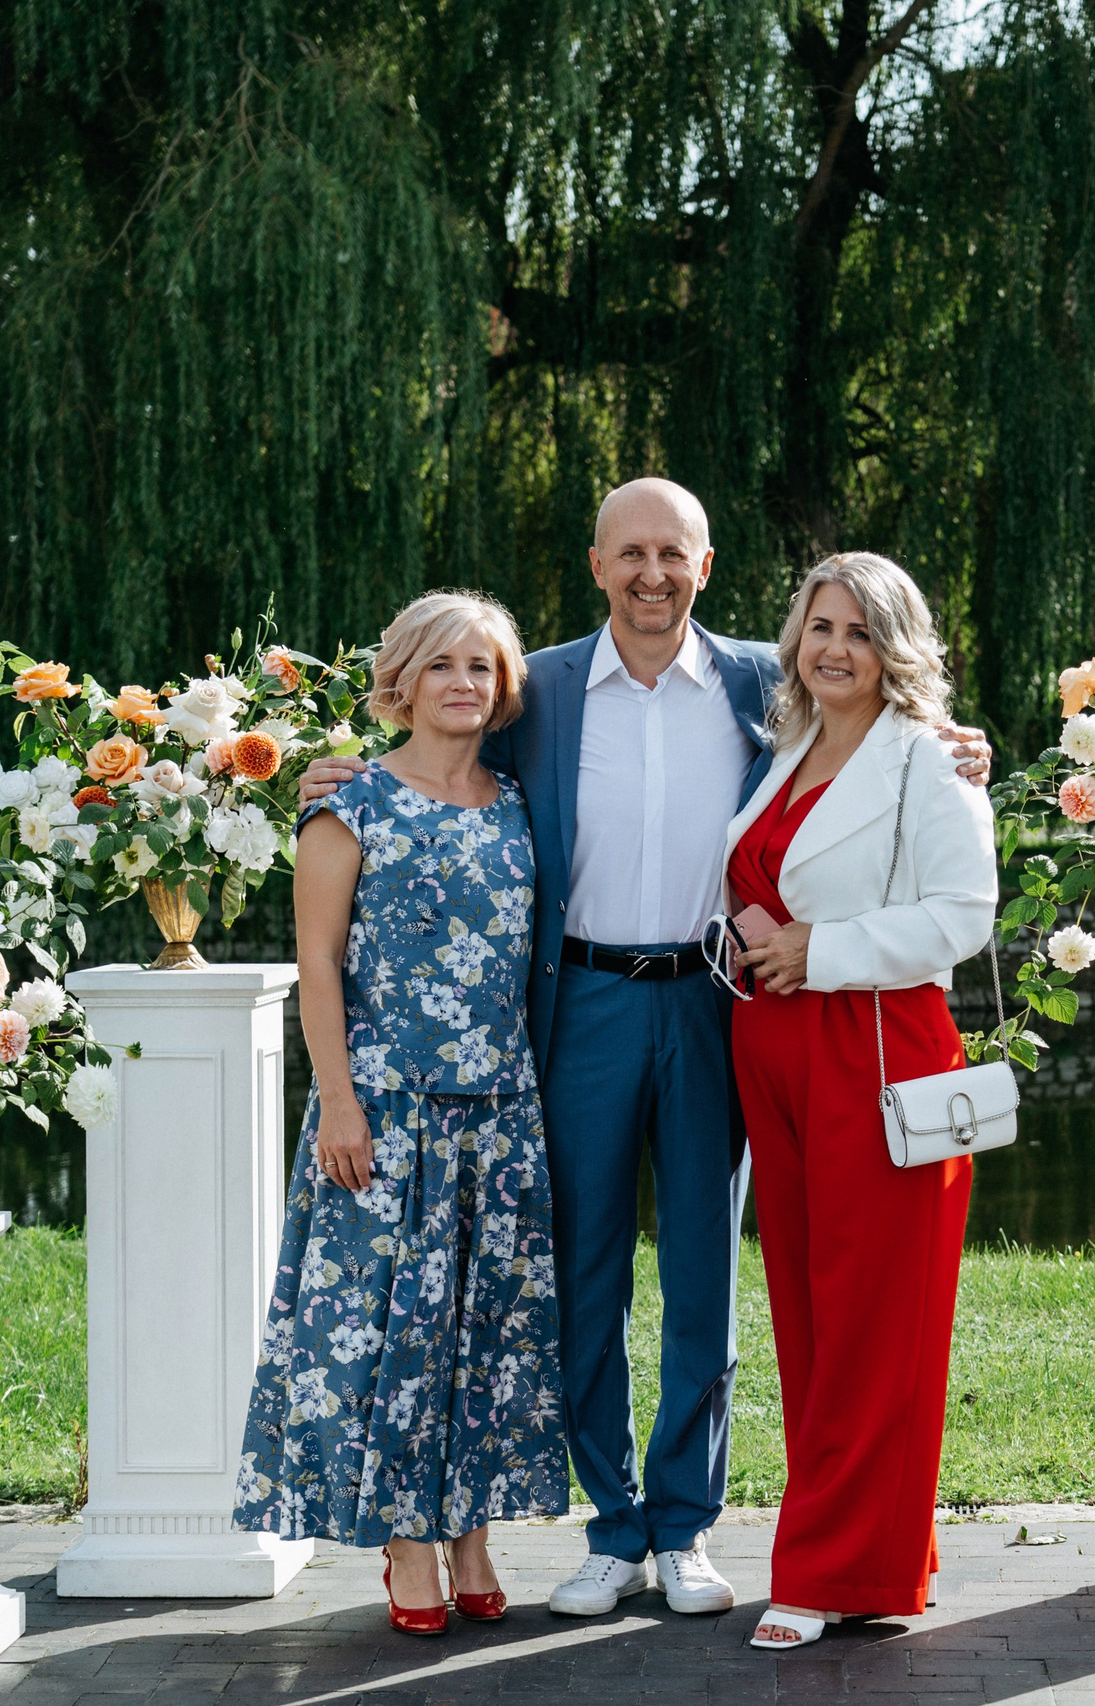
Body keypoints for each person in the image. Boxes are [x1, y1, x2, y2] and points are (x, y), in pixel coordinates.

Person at [298, 479, 991, 1619]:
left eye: (672, 552)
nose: (651, 572)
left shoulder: (765, 683)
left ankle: (684, 1523)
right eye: (631, 553)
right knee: (582, 1271)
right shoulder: (543, 690)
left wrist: (960, 745)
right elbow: (440, 748)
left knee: (705, 1278)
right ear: (597, 564)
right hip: (580, 1003)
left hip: (718, 1004)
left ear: (704, 567)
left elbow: (881, 725)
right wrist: (339, 778)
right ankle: (609, 1522)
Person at [236, 591, 568, 1636]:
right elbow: (317, 965)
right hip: (386, 1109)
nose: (463, 682)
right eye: (440, 665)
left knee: (482, 1329)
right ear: (403, 681)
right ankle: (409, 1539)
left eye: (481, 665)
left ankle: (469, 1525)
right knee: (396, 1330)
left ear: (504, 684)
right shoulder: (351, 805)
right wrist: (339, 1103)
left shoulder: (521, 803)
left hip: (498, 1111)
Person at [721, 553, 998, 1650]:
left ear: (898, 649)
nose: (835, 647)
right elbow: (761, 876)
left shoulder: (928, 760)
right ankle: (878, 1557)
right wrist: (757, 939)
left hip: (877, 1047)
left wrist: (817, 949)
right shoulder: (786, 746)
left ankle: (821, 1572)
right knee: (809, 1310)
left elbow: (962, 912)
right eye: (820, 625)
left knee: (875, 1319)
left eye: (862, 632)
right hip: (776, 1048)